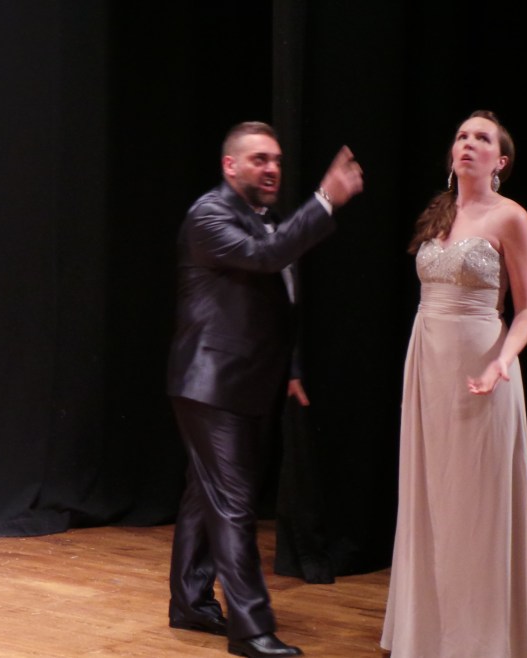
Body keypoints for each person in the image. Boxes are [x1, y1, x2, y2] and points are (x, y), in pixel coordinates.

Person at [165, 121, 364, 657]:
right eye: (259, 159)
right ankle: (250, 630)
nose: (272, 168)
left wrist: (291, 366)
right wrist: (325, 200)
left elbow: (280, 297)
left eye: (276, 159)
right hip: (211, 383)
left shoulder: (264, 219)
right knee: (233, 504)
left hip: (244, 381)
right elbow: (264, 258)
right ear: (230, 165)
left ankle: (189, 601)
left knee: (204, 494)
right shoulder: (209, 214)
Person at [380, 110, 527, 657]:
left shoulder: (511, 217)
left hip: (483, 368)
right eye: (462, 135)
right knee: (431, 500)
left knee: (477, 510)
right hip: (428, 367)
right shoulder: (440, 213)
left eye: (481, 138)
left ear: (499, 161)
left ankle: (480, 643)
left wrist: (503, 359)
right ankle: (428, 636)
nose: (468, 143)